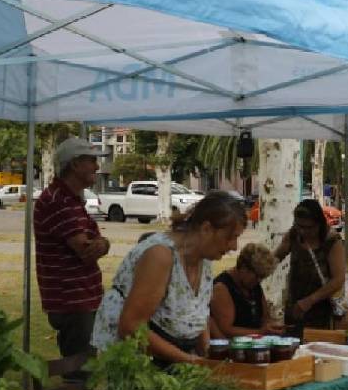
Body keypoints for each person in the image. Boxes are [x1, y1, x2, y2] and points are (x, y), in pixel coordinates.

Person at [91, 191, 246, 365]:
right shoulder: (160, 256)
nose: (234, 246)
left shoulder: (204, 258)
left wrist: (208, 357)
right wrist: (189, 360)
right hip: (135, 363)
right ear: (206, 229)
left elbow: (197, 316)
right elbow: (131, 327)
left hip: (173, 359)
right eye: (231, 238)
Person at [34, 137, 111, 359]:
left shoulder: (72, 200)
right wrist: (101, 243)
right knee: (80, 371)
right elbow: (86, 250)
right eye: (92, 161)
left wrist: (103, 243)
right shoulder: (59, 200)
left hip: (80, 297)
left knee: (85, 366)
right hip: (71, 301)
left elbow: (97, 241)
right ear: (75, 164)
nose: (97, 167)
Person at [274, 199, 345, 333]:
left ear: (319, 224)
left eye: (308, 227)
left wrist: (310, 301)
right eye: (299, 226)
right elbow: (275, 258)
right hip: (295, 307)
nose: (303, 231)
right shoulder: (294, 234)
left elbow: (338, 279)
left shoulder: (331, 241)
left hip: (321, 310)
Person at [209, 244, 281, 338]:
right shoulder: (222, 288)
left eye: (262, 277)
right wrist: (260, 332)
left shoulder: (253, 285)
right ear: (244, 268)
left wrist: (271, 327)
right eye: (257, 276)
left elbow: (265, 317)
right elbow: (226, 330)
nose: (259, 281)